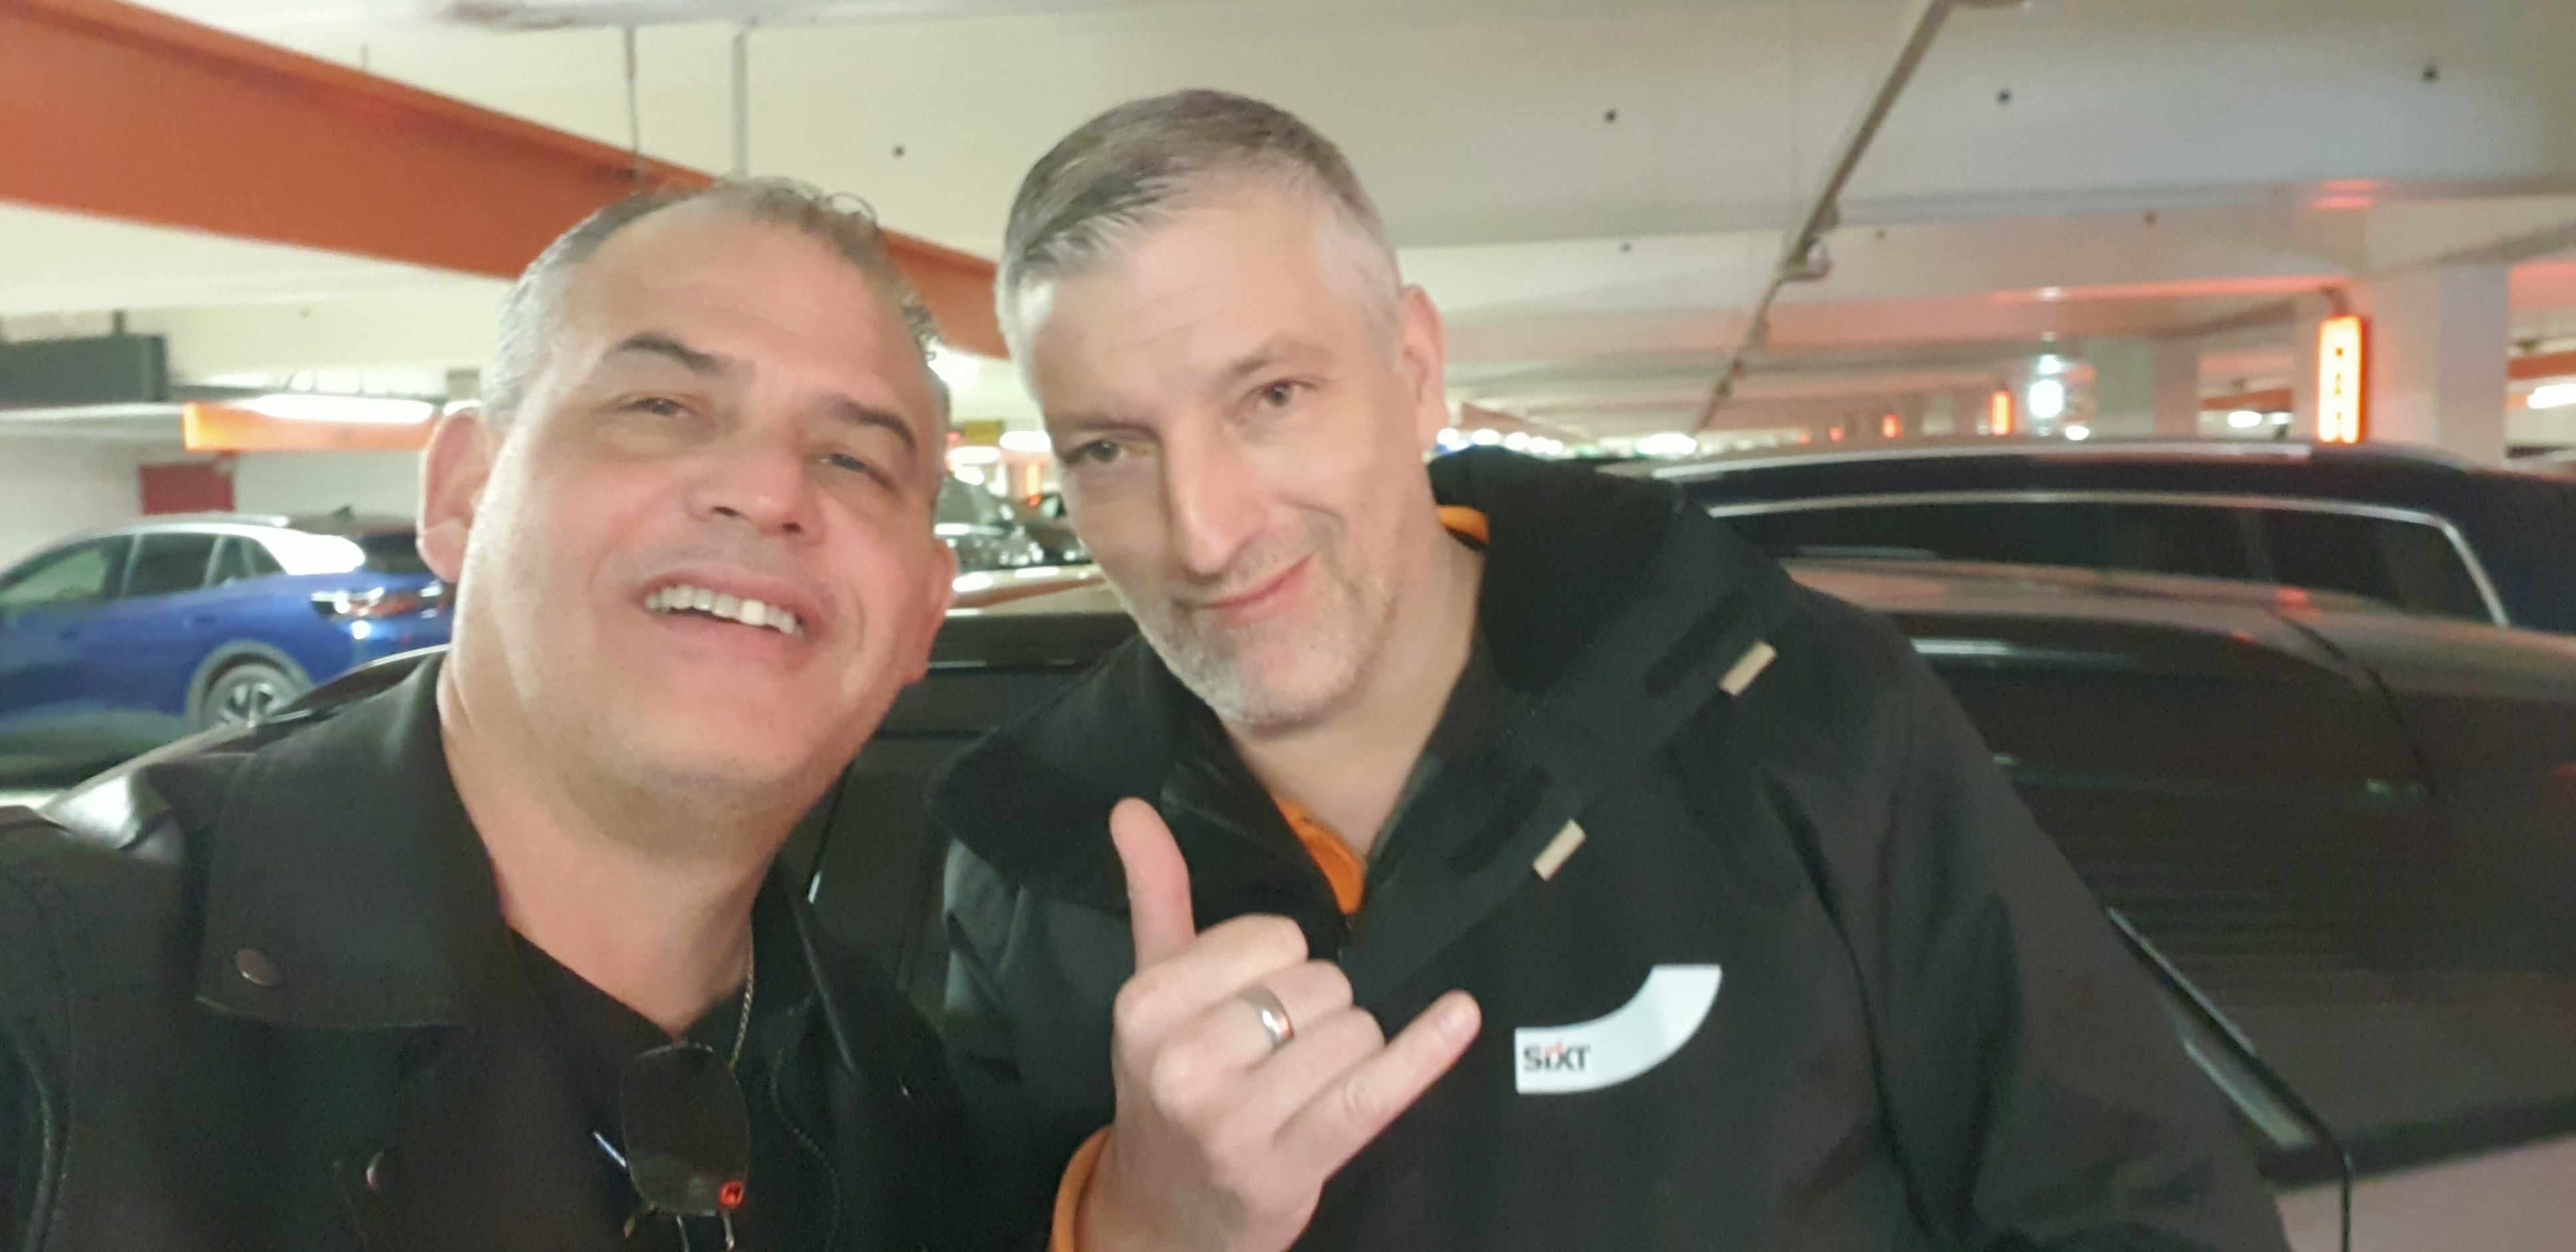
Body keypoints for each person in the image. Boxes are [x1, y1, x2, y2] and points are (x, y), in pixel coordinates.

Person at [928, 90, 2290, 1252]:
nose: (1204, 531)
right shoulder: (1032, 860)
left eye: (1271, 397)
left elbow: (2145, 1214)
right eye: (1109, 449)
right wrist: (1127, 1228)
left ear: (1415, 369)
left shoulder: (1800, 716)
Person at [0, 179, 968, 1250]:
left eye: (853, 460)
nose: (770, 489)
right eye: (661, 408)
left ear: (923, 613)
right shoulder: (45, 989)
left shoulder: (900, 1104)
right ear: (463, 493)